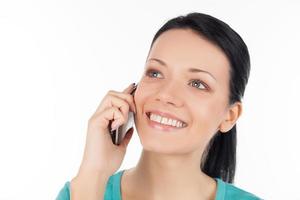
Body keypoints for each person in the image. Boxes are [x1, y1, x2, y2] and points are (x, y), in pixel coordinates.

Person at [56, 12, 262, 200]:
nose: (166, 94)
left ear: (230, 116)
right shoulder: (81, 191)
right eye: (155, 73)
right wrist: (94, 173)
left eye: (198, 84)